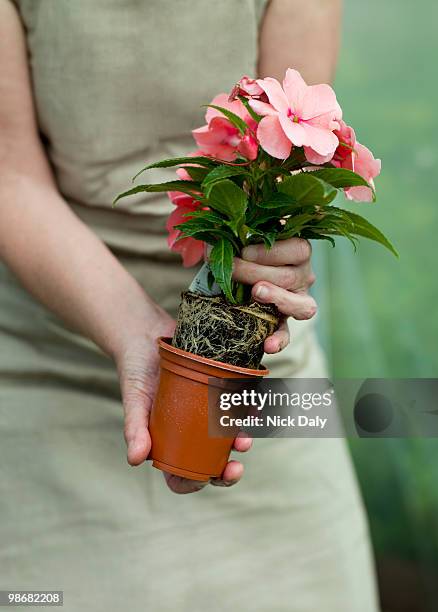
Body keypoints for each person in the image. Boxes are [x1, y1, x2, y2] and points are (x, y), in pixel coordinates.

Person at [0, 1, 379, 610]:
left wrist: (278, 251)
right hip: (49, 350)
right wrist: (135, 336)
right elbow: (8, 174)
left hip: (247, 356)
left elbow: (294, 150)